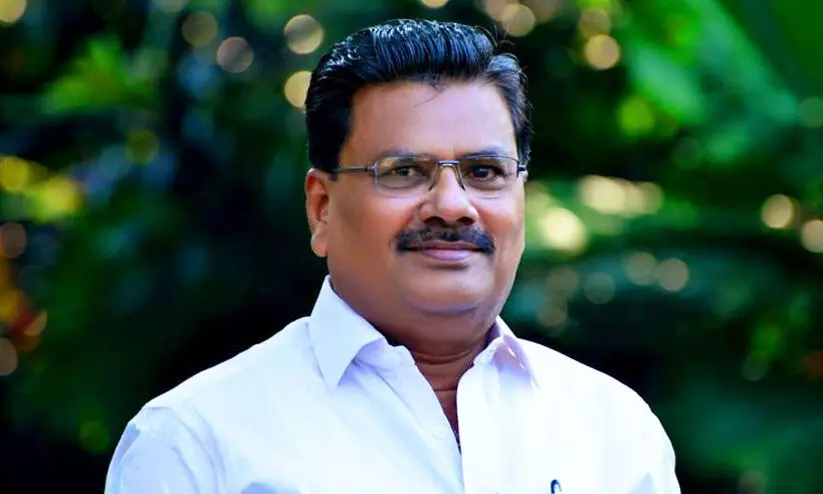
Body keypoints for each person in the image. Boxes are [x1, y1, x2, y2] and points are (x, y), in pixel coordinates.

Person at [105, 18, 680, 494]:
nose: (452, 206)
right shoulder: (196, 444)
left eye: (484, 172)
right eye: (404, 172)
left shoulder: (613, 432)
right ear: (322, 208)